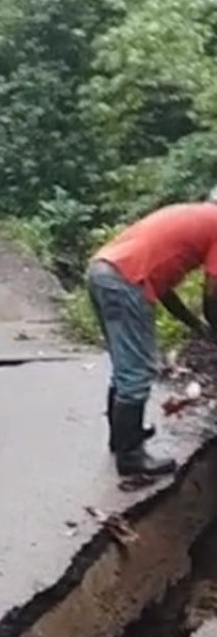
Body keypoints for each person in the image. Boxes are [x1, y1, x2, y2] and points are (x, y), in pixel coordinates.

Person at [87, 194, 217, 478]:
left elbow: (164, 288)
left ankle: (122, 438)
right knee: (136, 370)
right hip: (125, 281)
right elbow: (212, 295)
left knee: (125, 366)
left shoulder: (189, 216)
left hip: (103, 270)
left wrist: (195, 324)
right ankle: (131, 457)